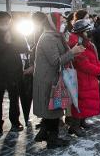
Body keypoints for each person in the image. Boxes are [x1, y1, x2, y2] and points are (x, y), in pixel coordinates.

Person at [33, 12, 85, 149]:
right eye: (61, 22)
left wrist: (73, 52)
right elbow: (56, 61)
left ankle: (43, 133)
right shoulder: (48, 38)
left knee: (51, 109)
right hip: (49, 80)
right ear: (53, 23)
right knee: (52, 110)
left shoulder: (56, 36)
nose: (64, 24)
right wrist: (72, 52)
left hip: (52, 78)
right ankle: (52, 140)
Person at [68, 20, 100, 137]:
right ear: (81, 32)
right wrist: (98, 70)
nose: (90, 32)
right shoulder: (76, 44)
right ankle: (75, 126)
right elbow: (82, 63)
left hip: (88, 77)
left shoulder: (85, 42)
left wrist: (99, 66)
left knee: (85, 101)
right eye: (87, 30)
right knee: (79, 102)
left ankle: (82, 121)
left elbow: (93, 58)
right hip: (81, 78)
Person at [0, 12, 28, 138]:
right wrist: (6, 44)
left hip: (14, 70)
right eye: (2, 21)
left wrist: (11, 43)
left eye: (7, 21)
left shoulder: (16, 32)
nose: (5, 23)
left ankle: (15, 122)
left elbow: (24, 47)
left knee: (14, 98)